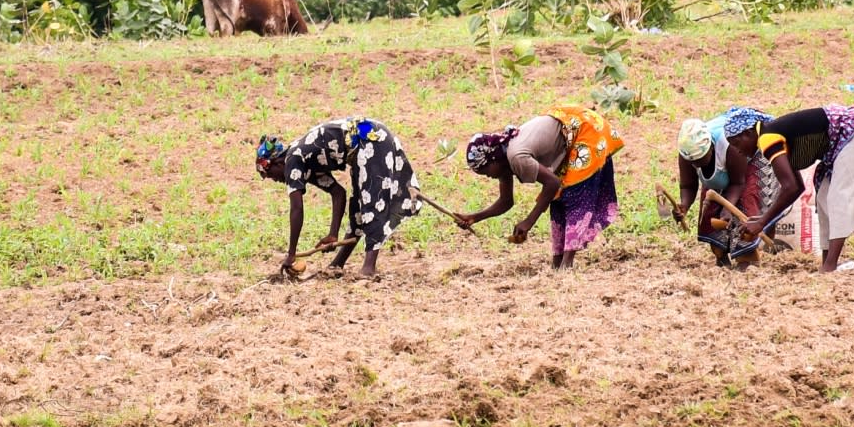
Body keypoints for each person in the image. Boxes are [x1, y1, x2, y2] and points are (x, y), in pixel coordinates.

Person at [680, 105, 854, 273]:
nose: (739, 152)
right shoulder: (771, 137)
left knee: (839, 198)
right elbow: (797, 186)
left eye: (738, 145)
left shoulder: (768, 138)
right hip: (840, 147)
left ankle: (830, 267)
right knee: (823, 199)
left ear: (749, 133)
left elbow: (790, 187)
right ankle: (827, 263)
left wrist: (761, 222)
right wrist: (764, 218)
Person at [457, 105, 624, 269]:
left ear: (492, 158)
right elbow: (506, 201)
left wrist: (529, 221)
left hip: (585, 129)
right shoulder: (503, 162)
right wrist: (474, 217)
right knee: (558, 198)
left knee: (573, 195)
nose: (487, 176)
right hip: (569, 133)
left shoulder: (516, 156)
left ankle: (567, 264)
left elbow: (552, 183)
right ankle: (558, 263)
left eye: (485, 170)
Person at [254, 117, 422, 279]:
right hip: (363, 148)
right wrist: (333, 235)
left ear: (277, 163)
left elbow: (296, 208)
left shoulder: (292, 160)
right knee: (357, 210)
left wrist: (291, 254)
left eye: (269, 174)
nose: (274, 179)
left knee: (372, 202)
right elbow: (338, 193)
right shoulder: (303, 161)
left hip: (371, 138)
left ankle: (369, 268)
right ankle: (338, 263)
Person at [674, 108, 805, 268]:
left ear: (711, 148)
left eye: (701, 159)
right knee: (710, 207)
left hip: (751, 157)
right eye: (693, 162)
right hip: (727, 169)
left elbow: (738, 183)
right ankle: (720, 255)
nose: (696, 165)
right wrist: (684, 206)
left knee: (747, 200)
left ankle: (747, 259)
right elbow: (688, 185)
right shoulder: (688, 152)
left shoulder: (730, 146)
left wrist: (727, 208)